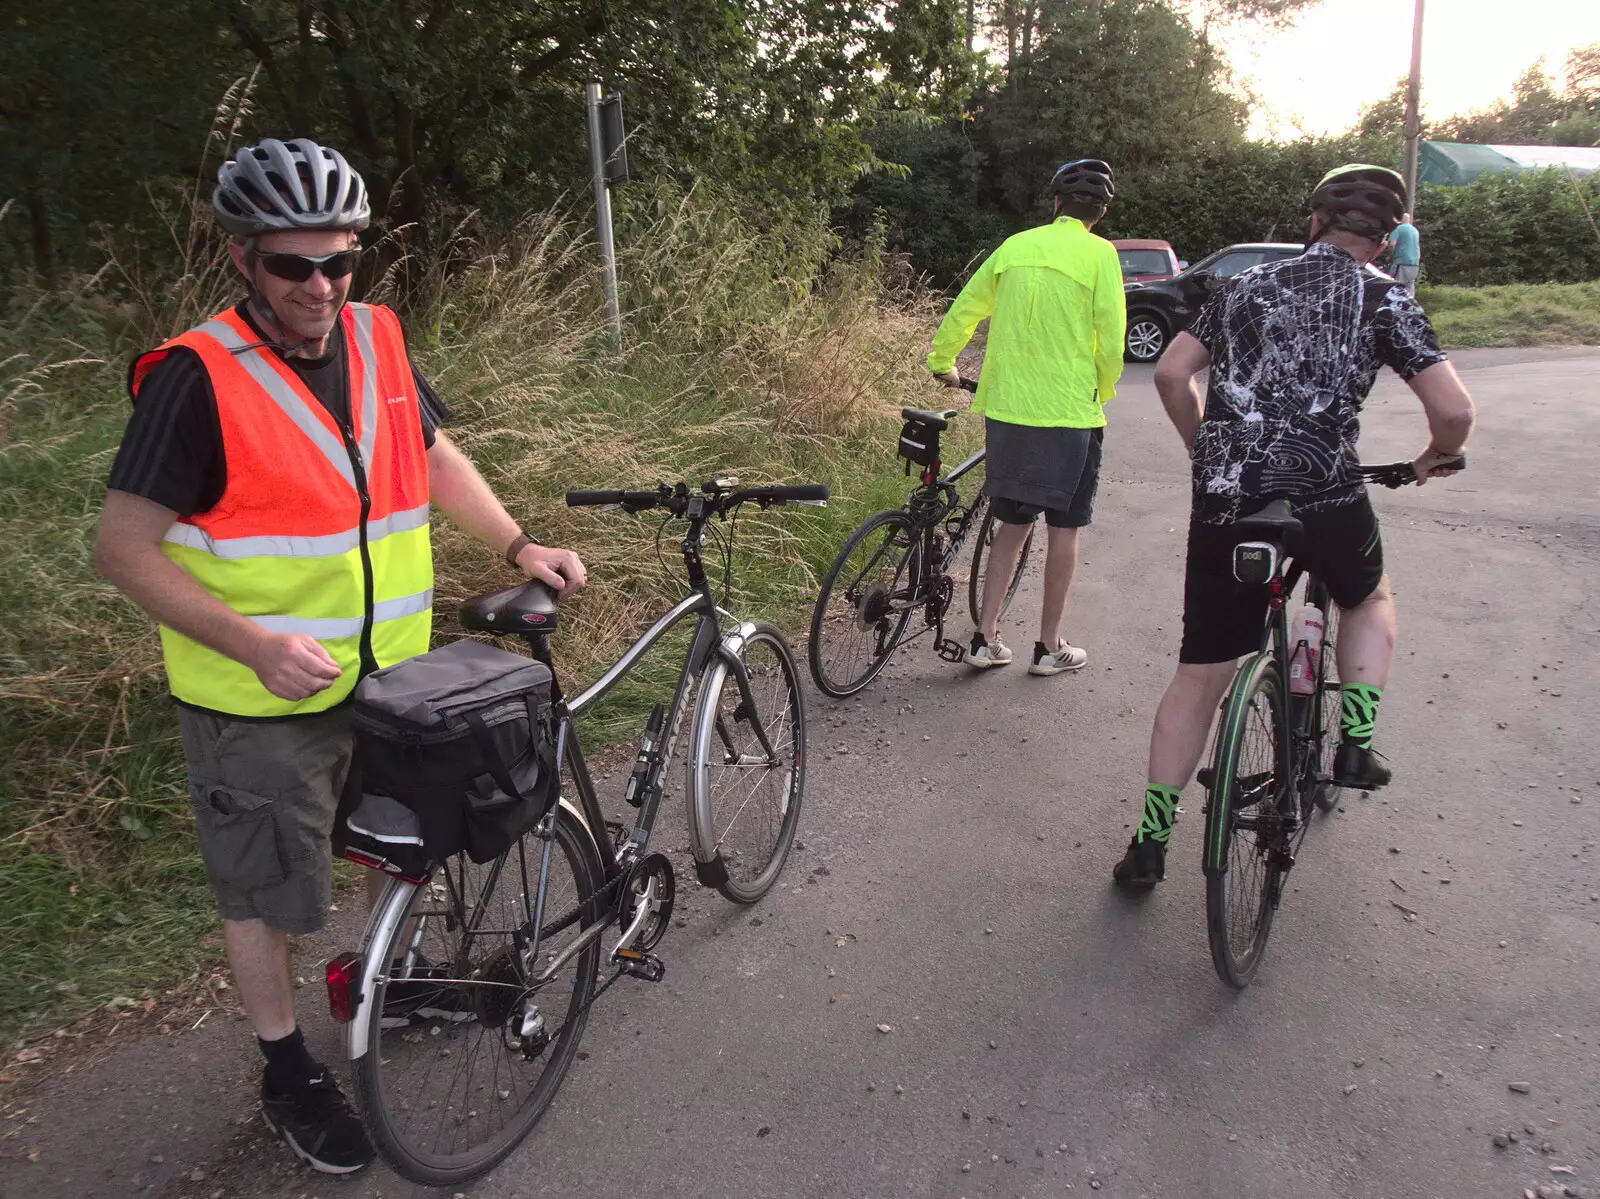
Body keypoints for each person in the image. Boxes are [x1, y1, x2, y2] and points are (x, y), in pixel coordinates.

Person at [95, 138, 587, 1173]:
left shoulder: (377, 336)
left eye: (339, 261)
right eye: (292, 264)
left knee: (402, 844)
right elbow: (122, 547)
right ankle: (285, 1068)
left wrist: (516, 541)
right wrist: (252, 642)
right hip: (257, 699)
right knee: (269, 894)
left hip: (388, 678)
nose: (319, 286)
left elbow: (431, 452)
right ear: (243, 258)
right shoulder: (195, 378)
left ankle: (381, 977)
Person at [1111, 164, 1476, 888]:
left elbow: (1168, 374)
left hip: (1230, 498)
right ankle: (1354, 744)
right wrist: (1438, 457)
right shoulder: (1385, 296)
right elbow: (1456, 411)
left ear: (1313, 221)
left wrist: (1207, 451)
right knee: (1367, 596)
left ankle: (1150, 844)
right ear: (1387, 235)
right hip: (1325, 493)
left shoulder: (1243, 286)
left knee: (1200, 673)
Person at [926, 158, 1126, 675]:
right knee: (1065, 529)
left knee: (1009, 523)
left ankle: (984, 637)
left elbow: (966, 307)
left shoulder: (1015, 246)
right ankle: (1047, 647)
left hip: (1009, 408)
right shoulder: (1100, 254)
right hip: (1068, 413)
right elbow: (1112, 335)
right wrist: (1101, 390)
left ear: (1055, 203)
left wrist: (942, 361)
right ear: (1098, 213)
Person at [1387, 212, 1421, 292]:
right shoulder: (1415, 231)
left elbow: (1392, 244)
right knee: (1409, 287)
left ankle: (1396, 304)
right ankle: (1410, 303)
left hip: (1401, 262)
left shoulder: (1398, 229)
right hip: (1415, 263)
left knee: (1396, 285)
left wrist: (1389, 255)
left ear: (1400, 219)